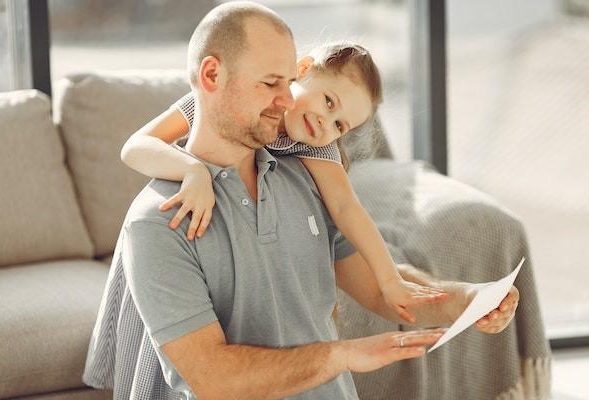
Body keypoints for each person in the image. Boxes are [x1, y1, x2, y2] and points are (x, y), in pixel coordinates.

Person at [83, 2, 519, 399]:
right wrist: (343, 355)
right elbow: (214, 378)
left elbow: (373, 280)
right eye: (271, 82)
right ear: (212, 76)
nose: (284, 100)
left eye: (289, 81)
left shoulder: (305, 170)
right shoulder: (159, 221)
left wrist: (465, 299)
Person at [121, 40, 447, 323]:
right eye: (329, 102)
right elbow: (135, 146)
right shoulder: (227, 98)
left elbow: (346, 207)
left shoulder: (314, 144)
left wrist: (389, 278)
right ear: (302, 70)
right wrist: (193, 170)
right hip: (169, 243)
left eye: (340, 126)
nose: (325, 123)